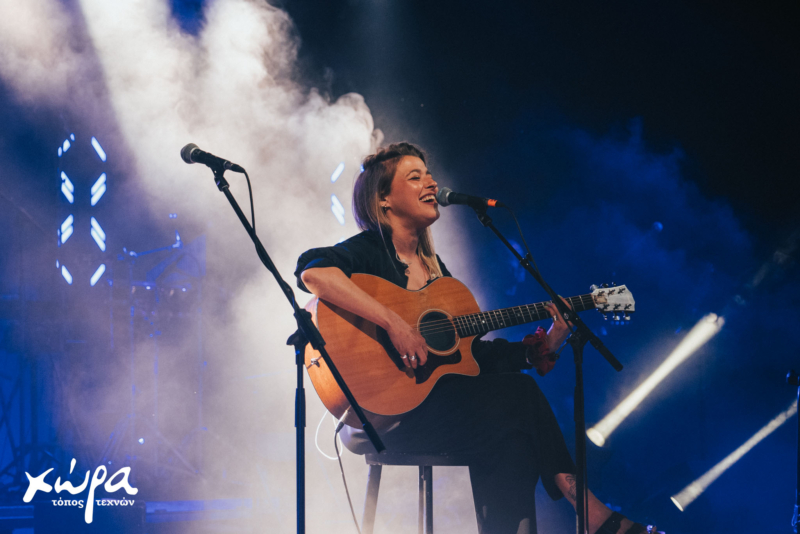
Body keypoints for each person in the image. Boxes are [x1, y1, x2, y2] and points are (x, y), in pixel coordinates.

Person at [295, 142, 654, 534]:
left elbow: (470, 358)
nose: (431, 183)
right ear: (384, 199)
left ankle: (584, 517)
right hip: (383, 417)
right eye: (414, 177)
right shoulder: (369, 251)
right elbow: (313, 272)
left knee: (513, 439)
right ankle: (592, 515)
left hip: (437, 407)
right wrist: (394, 325)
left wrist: (547, 344)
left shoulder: (437, 273)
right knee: (519, 396)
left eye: (429, 174)